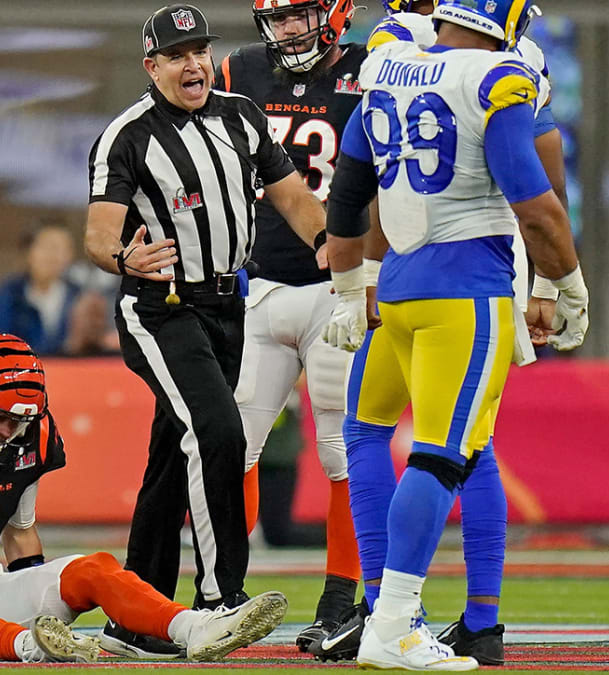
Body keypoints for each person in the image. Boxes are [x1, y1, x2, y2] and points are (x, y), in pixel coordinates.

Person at [321, 0, 588, 668]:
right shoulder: (501, 73)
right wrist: (565, 283)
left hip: (397, 282)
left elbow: (349, 191)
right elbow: (537, 199)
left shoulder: (385, 59)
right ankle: (397, 622)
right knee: (450, 452)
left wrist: (354, 283)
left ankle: (390, 607)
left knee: (374, 432)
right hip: (468, 287)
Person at [84, 3, 327, 659]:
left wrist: (329, 243)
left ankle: (136, 610)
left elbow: (292, 195)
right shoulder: (127, 136)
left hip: (228, 307)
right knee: (217, 430)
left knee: (171, 458)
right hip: (160, 306)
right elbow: (100, 231)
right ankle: (221, 598)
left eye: (199, 50)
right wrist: (120, 257)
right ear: (152, 66)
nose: (193, 63)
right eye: (177, 54)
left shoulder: (241, 116)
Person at [0, 333, 288, 663]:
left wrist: (39, 592)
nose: (7, 430)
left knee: (94, 567)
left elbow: (20, 533)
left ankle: (194, 627)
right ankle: (30, 648)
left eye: (18, 421)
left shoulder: (31, 437)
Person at [214, 0, 365, 650]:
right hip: (258, 282)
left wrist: (371, 276)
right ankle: (225, 592)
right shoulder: (236, 70)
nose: (289, 30)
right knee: (233, 445)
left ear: (335, 12)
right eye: (279, 18)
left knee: (340, 451)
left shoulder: (373, 71)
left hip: (339, 285)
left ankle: (339, 601)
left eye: (302, 15)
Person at [0, 224, 80, 355]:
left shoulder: (79, 296)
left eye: (61, 249)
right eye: (47, 247)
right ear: (28, 252)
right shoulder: (9, 294)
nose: (53, 256)